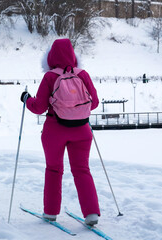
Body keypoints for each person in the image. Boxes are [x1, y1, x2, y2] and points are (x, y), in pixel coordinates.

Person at [20, 39, 100, 226]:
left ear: (50, 57)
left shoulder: (50, 77)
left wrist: (26, 99)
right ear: (73, 55)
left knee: (54, 169)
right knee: (82, 170)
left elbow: (39, 107)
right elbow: (94, 103)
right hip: (82, 130)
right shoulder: (83, 75)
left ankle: (50, 213)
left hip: (55, 130)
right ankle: (92, 214)